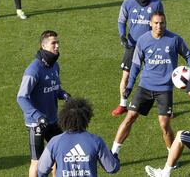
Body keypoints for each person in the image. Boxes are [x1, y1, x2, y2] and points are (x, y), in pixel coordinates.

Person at [111, 11, 190, 159]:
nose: (159, 26)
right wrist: (130, 85)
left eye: (162, 23)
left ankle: (172, 157)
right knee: (130, 116)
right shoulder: (143, 40)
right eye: (156, 23)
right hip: (145, 86)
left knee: (164, 124)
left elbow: (188, 55)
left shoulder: (174, 39)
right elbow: (136, 65)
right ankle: (113, 153)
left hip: (164, 89)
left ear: (165, 23)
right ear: (150, 24)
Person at [17, 30, 70, 177]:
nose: (57, 46)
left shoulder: (55, 66)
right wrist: (37, 116)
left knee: (59, 155)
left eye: (58, 42)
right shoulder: (33, 70)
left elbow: (55, 88)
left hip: (52, 121)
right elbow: (21, 97)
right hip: (36, 124)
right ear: (43, 45)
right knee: (37, 161)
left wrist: (63, 94)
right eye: (54, 43)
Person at [111, 0, 164, 116]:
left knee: (154, 76)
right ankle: (122, 104)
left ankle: (164, 107)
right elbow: (121, 21)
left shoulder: (156, 3)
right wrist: (122, 36)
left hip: (150, 46)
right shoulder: (127, 3)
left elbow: (161, 22)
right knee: (126, 76)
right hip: (132, 45)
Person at [38, 98, 120, 177]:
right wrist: (115, 156)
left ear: (64, 119)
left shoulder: (55, 142)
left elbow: (41, 170)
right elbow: (112, 168)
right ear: (86, 118)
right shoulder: (96, 141)